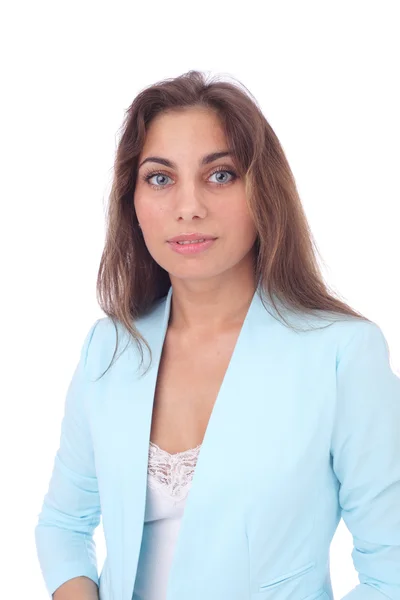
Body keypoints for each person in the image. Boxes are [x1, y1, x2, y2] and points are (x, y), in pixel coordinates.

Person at [34, 70, 400, 600]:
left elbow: (391, 572)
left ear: (263, 192)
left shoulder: (342, 355)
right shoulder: (108, 349)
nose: (189, 207)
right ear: (131, 200)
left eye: (220, 175)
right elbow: (64, 525)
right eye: (160, 177)